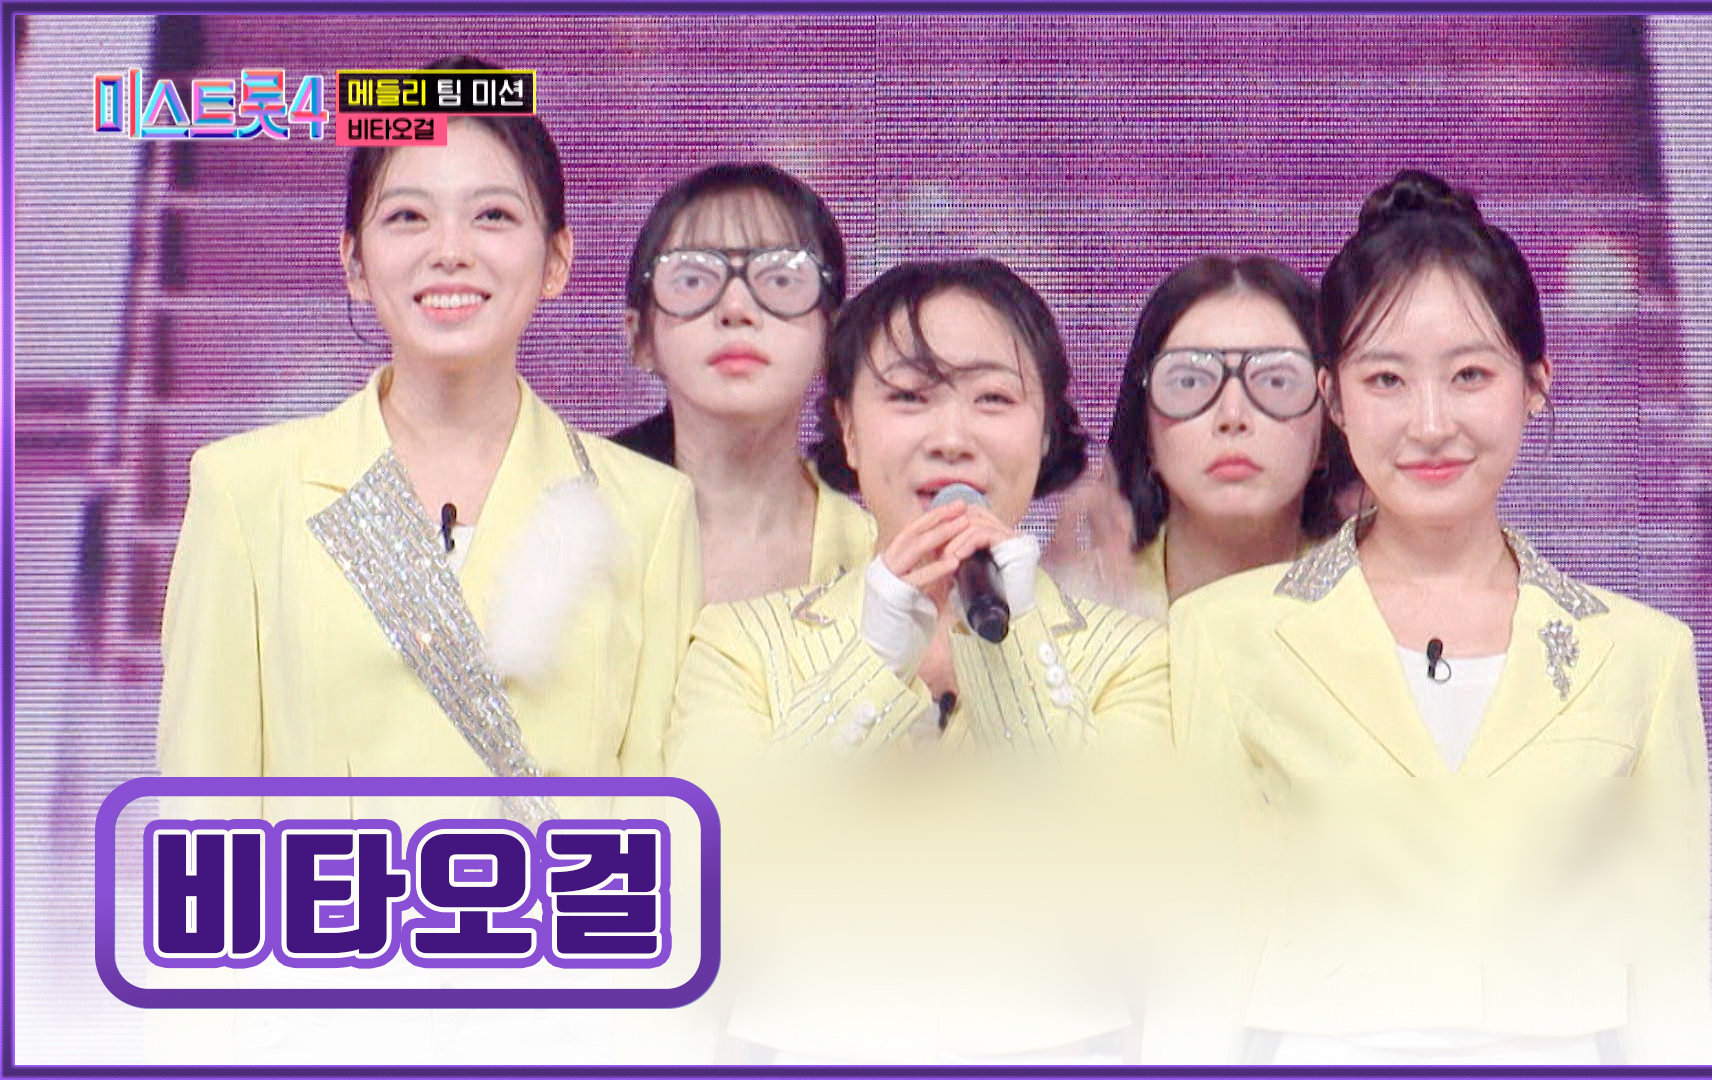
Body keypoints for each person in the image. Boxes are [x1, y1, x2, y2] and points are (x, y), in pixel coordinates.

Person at [1170, 170, 1712, 1064]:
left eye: (1469, 375)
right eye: (1386, 379)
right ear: (1334, 398)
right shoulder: (1230, 636)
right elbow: (1196, 965)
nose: (1430, 424)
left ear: (1535, 383)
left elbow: (1672, 991)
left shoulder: (1638, 656)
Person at [156, 56, 702, 820]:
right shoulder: (246, 493)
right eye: (408, 216)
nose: (450, 249)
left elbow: (662, 822)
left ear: (557, 260)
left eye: (493, 216)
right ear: (354, 261)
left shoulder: (648, 509)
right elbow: (201, 813)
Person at [667, 259, 1171, 1063]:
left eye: (993, 399)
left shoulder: (1132, 657)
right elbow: (709, 884)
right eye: (908, 397)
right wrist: (870, 662)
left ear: (1046, 432)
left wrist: (1012, 649)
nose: (951, 437)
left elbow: (1129, 888)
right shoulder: (741, 645)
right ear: (848, 428)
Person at [612, 163, 874, 603]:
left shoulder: (875, 560)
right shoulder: (568, 531)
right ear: (640, 338)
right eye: (693, 279)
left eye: (780, 278)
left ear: (830, 337)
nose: (736, 308)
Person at [1048, 255, 1356, 619]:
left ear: (1329, 422)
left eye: (1276, 381)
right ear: (1146, 431)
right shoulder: (1078, 610)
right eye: (1190, 381)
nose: (1232, 416)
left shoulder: (1371, 606)